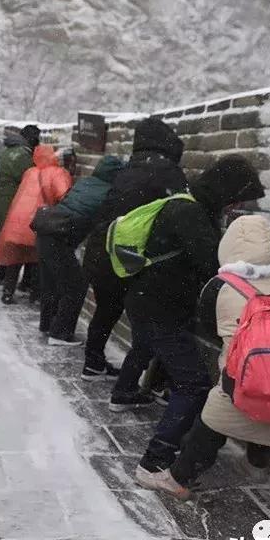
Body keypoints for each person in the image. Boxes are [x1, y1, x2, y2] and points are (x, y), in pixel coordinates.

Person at [135, 215, 270, 498]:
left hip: (238, 383)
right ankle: (256, 464)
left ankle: (178, 479)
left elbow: (208, 326)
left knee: (212, 424)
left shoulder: (219, 286)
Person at [113, 156, 266, 477]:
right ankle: (154, 462)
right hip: (160, 307)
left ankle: (122, 394)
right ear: (226, 190)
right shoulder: (190, 214)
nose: (236, 205)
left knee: (145, 346)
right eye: (236, 198)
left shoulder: (186, 204)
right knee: (194, 384)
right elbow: (213, 264)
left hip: (146, 300)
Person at [81, 118, 188, 378]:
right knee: (147, 322)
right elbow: (181, 212)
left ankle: (92, 363)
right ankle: (133, 383)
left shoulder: (128, 169)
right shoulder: (168, 172)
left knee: (106, 311)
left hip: (102, 246)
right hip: (128, 255)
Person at [32, 155, 124, 356]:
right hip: (59, 239)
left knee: (51, 284)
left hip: (46, 231)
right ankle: (59, 334)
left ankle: (47, 325)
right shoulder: (110, 192)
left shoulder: (86, 182)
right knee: (76, 287)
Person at [0, 144, 72, 305]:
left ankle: (8, 292)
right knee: (38, 259)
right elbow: (64, 196)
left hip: (17, 221)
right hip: (38, 222)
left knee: (15, 259)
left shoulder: (30, 172)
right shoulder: (58, 173)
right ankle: (35, 294)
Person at [0, 125, 38, 247]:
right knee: (6, 237)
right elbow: (30, 177)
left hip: (1, 195)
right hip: (10, 198)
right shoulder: (22, 155)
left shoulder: (10, 149)